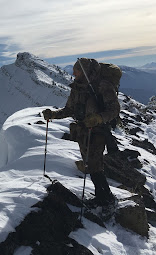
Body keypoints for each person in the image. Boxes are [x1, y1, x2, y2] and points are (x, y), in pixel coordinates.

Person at [42, 58, 119, 206]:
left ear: (85, 71)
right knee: (89, 164)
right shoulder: (77, 88)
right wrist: (53, 115)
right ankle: (103, 195)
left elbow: (114, 109)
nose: (74, 73)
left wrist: (98, 118)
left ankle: (105, 198)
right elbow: (69, 109)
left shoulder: (102, 86)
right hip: (83, 131)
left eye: (76, 70)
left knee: (95, 164)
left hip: (98, 131)